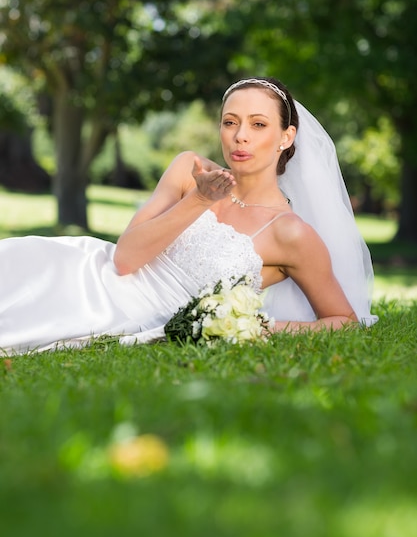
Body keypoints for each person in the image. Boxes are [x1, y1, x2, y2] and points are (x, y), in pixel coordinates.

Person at [0, 77, 377, 356]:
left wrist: (260, 326)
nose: (239, 136)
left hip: (129, 317)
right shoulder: (188, 169)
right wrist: (198, 199)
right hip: (90, 274)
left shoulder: (291, 233)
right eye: (230, 122)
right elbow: (125, 258)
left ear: (286, 136)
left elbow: (343, 320)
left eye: (258, 124)